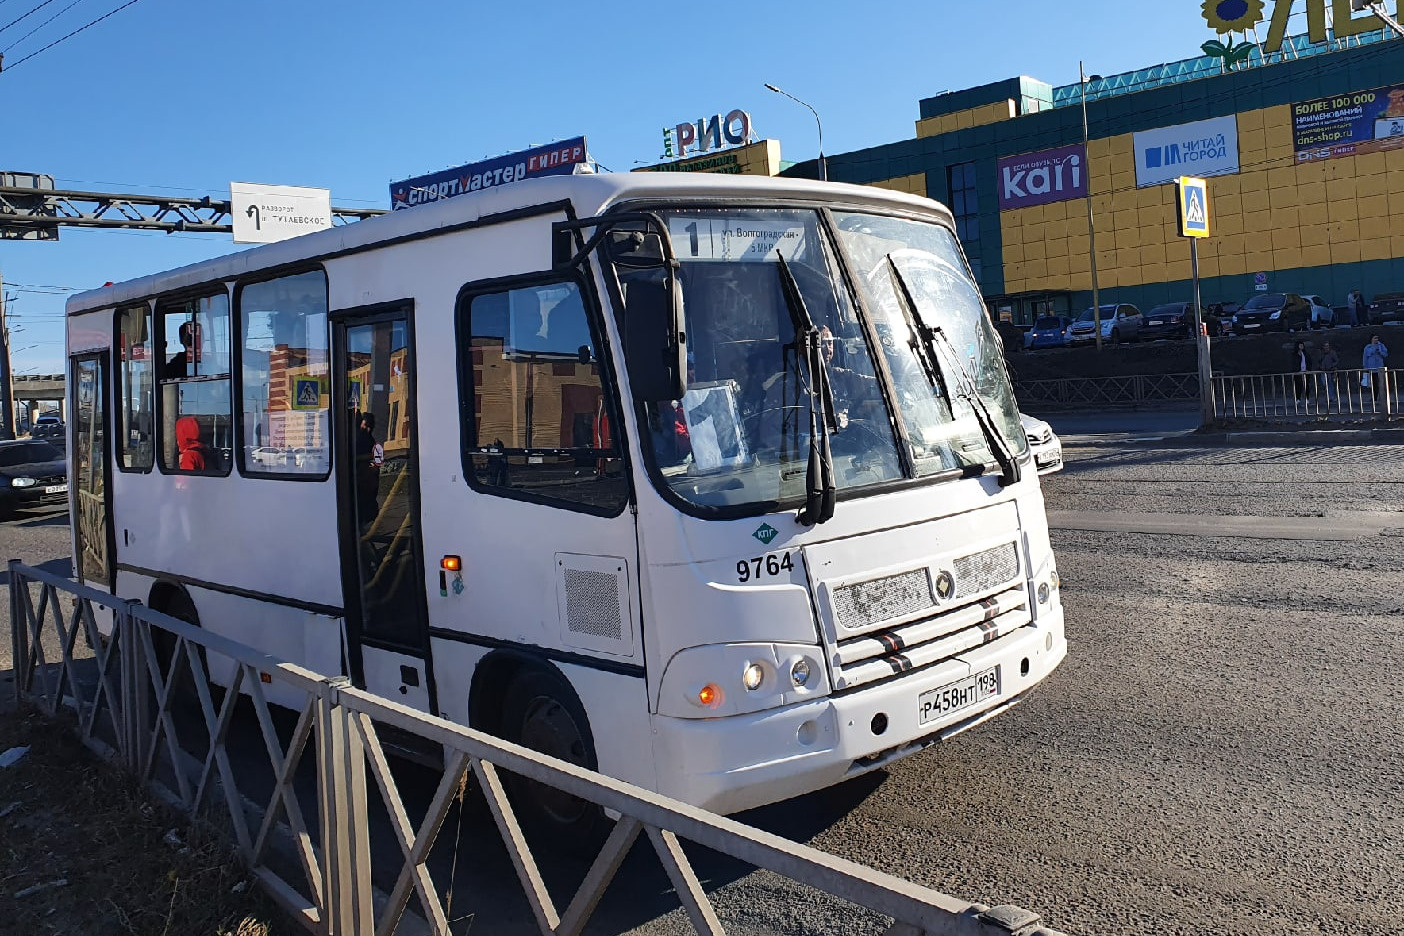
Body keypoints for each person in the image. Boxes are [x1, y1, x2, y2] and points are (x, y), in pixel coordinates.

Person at [354, 411, 383, 521]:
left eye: (370, 427)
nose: (368, 429)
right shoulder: (356, 438)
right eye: (365, 425)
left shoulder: (369, 439)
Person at [1362, 334, 1389, 407]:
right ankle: (1374, 398)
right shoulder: (1368, 347)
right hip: (1371, 367)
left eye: (1377, 338)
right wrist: (1365, 367)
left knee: (1381, 383)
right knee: (1374, 383)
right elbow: (1365, 357)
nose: (1376, 340)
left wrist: (1380, 352)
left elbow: (1385, 354)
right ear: (1371, 339)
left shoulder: (1381, 345)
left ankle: (1382, 397)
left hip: (1380, 367)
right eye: (1375, 338)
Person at [1317, 341, 1339, 406]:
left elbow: (1336, 360)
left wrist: (1332, 365)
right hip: (1323, 371)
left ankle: (1331, 397)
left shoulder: (1332, 353)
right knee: (1324, 384)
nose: (1326, 347)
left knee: (1330, 384)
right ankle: (1328, 396)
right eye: (1325, 346)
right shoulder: (1321, 353)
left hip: (1330, 371)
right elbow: (1318, 361)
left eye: (1327, 346)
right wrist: (1320, 367)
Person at [1290, 340, 1311, 404]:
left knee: (1306, 385)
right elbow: (1294, 363)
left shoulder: (1306, 354)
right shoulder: (1295, 355)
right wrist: (1297, 370)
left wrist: (1308, 369)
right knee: (1298, 385)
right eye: (1300, 345)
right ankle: (1298, 398)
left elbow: (1309, 362)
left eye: (1302, 345)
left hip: (1305, 371)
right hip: (1298, 372)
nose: (1301, 346)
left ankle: (1307, 398)